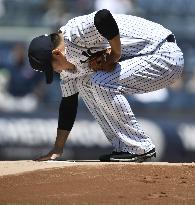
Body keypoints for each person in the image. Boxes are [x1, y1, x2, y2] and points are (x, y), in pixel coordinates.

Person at [28, 9, 184, 162]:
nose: (55, 71)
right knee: (85, 83)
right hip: (147, 60)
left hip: (164, 54)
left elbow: (103, 16)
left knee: (100, 82)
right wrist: (58, 148)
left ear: (56, 53)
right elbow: (68, 105)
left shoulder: (75, 33)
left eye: (52, 67)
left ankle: (139, 147)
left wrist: (114, 56)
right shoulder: (69, 69)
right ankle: (124, 147)